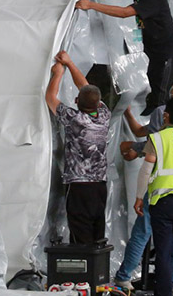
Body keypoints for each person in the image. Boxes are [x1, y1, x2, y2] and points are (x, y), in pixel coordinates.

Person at [115, 78, 173, 291]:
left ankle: (128, 276)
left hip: (160, 197)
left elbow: (146, 169)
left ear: (167, 115)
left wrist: (138, 197)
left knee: (154, 242)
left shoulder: (158, 134)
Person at [77, 0, 173, 115]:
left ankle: (159, 119)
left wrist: (91, 5)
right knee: (152, 76)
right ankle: (163, 96)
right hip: (153, 47)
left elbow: (124, 13)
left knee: (161, 87)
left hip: (167, 50)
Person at [45, 50, 111, 244]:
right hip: (99, 185)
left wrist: (57, 73)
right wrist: (70, 63)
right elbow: (86, 87)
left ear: (75, 102)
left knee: (80, 233)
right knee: (97, 232)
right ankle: (98, 270)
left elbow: (50, 98)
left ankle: (84, 271)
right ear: (98, 103)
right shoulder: (104, 115)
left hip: (79, 186)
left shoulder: (75, 119)